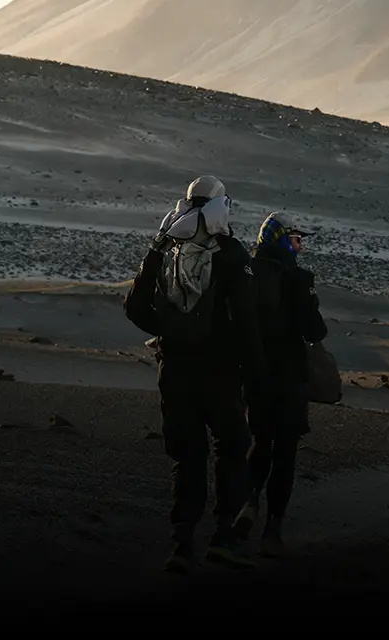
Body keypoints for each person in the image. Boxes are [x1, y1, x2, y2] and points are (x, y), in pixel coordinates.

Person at [123, 175, 266, 573]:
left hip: (175, 372)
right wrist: (255, 373)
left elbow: (135, 308)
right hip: (220, 372)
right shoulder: (232, 254)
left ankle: (182, 542)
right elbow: (248, 322)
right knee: (231, 447)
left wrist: (169, 332)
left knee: (187, 456)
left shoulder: (167, 249)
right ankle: (222, 535)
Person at [234, 211, 327, 557]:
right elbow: (315, 331)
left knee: (259, 439)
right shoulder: (299, 279)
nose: (299, 246)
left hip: (255, 375)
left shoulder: (247, 274)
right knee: (285, 452)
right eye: (295, 239)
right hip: (289, 379)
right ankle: (272, 529)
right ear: (282, 240)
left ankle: (250, 501)